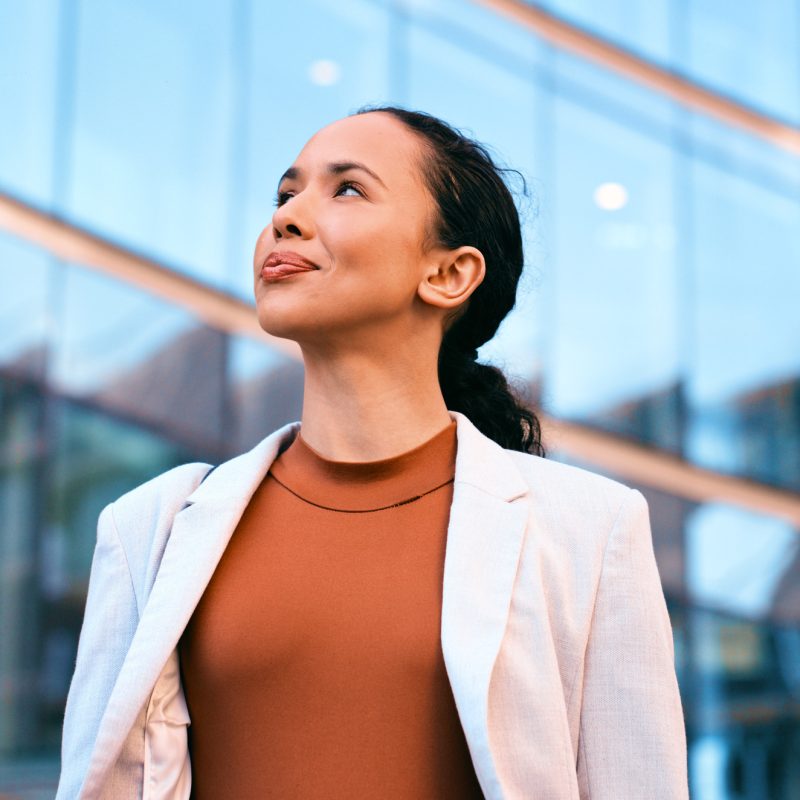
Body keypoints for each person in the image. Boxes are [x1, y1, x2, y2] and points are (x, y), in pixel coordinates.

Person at [56, 106, 689, 799]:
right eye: (285, 193)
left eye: (347, 189)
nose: (288, 217)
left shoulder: (590, 532)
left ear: (449, 274)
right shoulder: (150, 528)